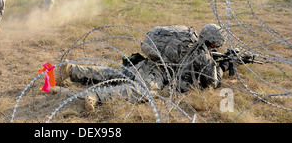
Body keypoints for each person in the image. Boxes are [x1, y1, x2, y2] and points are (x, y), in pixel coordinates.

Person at [59, 24, 229, 112]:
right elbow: (212, 82)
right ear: (213, 43)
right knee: (143, 91)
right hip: (158, 73)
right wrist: (223, 66)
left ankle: (72, 69)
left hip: (145, 62)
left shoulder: (186, 33)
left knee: (112, 74)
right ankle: (97, 95)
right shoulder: (202, 55)